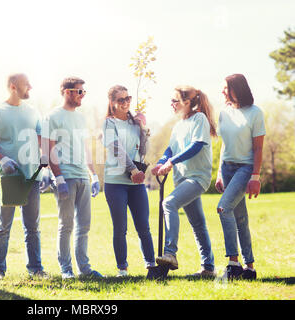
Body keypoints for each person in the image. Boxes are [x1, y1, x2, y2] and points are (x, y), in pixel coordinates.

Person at [0, 73, 48, 279]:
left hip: (32, 177)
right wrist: (2, 160)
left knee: (33, 226)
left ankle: (35, 268)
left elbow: (41, 140)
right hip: (9, 178)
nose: (30, 86)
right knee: (3, 226)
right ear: (13, 87)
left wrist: (44, 168)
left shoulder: (33, 111)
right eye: (26, 84)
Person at [151, 85, 217, 278]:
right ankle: (208, 268)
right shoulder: (179, 125)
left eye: (175, 100)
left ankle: (170, 253)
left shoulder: (200, 119)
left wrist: (171, 162)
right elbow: (170, 149)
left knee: (169, 203)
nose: (171, 104)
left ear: (187, 102)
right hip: (182, 179)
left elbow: (196, 146)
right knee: (197, 223)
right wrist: (162, 162)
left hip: (197, 177)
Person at [42, 76, 103, 279]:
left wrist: (93, 173)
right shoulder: (52, 117)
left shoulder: (81, 117)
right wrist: (58, 178)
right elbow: (48, 148)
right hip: (65, 176)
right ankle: (66, 269)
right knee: (66, 225)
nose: (82, 96)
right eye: (79, 92)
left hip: (82, 176)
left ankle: (84, 269)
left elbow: (85, 147)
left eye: (84, 92)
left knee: (84, 225)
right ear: (67, 92)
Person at [215, 74, 265, 280]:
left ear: (238, 88)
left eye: (226, 87)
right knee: (240, 218)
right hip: (227, 168)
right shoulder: (224, 112)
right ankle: (250, 268)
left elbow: (259, 147)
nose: (223, 91)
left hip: (245, 168)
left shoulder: (255, 113)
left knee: (223, 208)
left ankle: (233, 263)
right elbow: (224, 145)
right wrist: (219, 172)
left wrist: (255, 176)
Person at [102, 85, 155, 277]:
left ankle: (151, 265)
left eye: (128, 98)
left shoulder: (135, 123)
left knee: (143, 226)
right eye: (121, 100)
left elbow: (143, 151)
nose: (125, 103)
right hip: (115, 182)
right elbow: (115, 147)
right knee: (120, 228)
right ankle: (122, 269)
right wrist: (132, 169)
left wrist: (143, 129)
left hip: (136, 183)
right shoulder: (109, 123)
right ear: (113, 103)